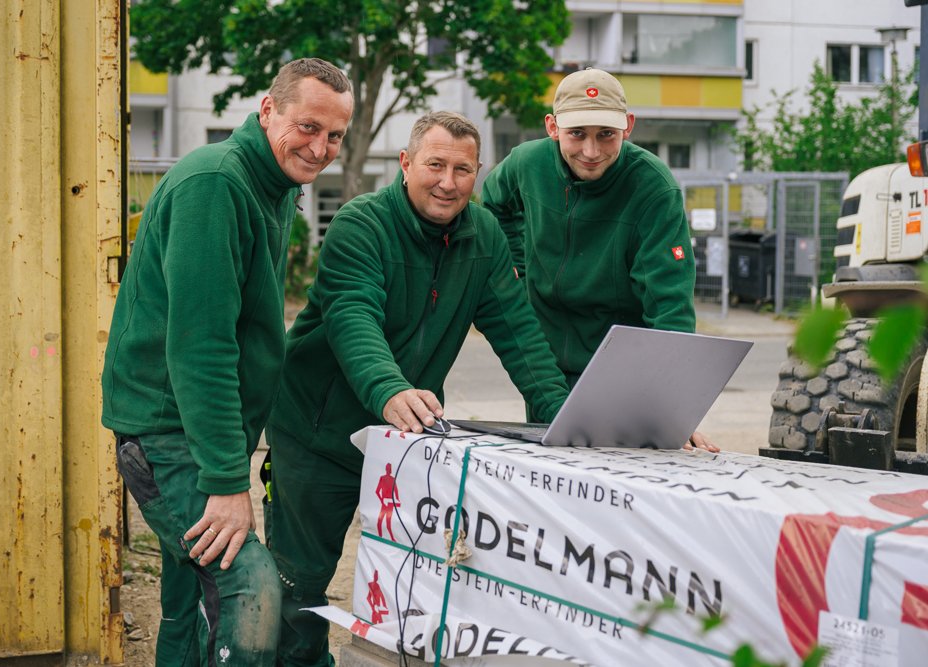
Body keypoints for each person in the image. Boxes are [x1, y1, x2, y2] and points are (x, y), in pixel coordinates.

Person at [264, 111, 570, 666]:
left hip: (408, 443)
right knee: (299, 587)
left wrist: (566, 417)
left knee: (413, 581)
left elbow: (520, 335)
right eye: (435, 165)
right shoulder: (362, 223)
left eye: (463, 169)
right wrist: (389, 389)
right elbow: (353, 316)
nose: (448, 182)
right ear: (405, 164)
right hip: (318, 434)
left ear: (477, 173)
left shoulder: (484, 235)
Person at [101, 58, 353, 666]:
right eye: (308, 127)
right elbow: (203, 344)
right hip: (168, 429)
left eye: (335, 135)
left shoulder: (274, 185)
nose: (320, 148)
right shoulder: (216, 184)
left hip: (205, 428)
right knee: (248, 583)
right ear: (268, 111)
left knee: (188, 599)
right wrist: (224, 480)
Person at [481, 68, 717, 451]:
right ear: (552, 127)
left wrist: (674, 409)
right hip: (545, 355)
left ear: (628, 126)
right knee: (553, 466)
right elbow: (494, 203)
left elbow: (669, 304)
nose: (591, 152)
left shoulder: (654, 188)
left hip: (618, 364)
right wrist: (517, 269)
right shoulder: (526, 163)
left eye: (606, 134)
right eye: (577, 134)